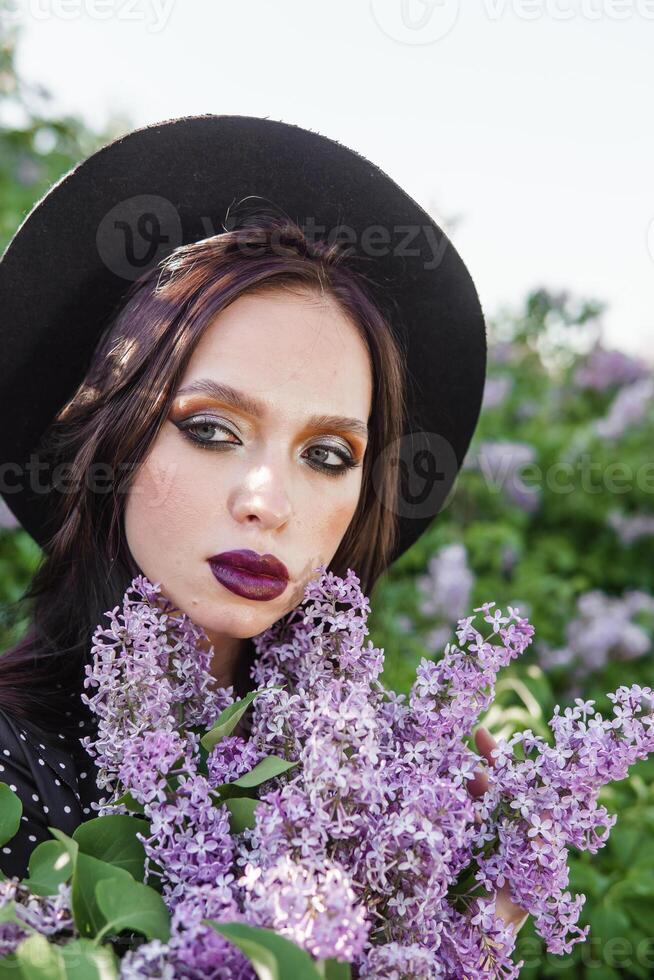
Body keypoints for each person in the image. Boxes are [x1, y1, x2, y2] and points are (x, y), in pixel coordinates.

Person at [0, 115, 524, 928]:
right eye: (210, 429)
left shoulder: (389, 788)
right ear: (104, 440)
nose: (267, 501)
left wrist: (474, 930)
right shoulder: (12, 769)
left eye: (327, 455)